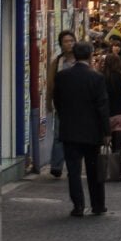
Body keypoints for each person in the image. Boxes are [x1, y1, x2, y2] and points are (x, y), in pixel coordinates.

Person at [52, 39, 110, 217]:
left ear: (75, 55)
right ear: (91, 55)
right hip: (92, 132)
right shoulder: (96, 78)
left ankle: (78, 206)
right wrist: (106, 132)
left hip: (70, 131)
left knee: (73, 171)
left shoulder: (62, 76)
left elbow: (57, 101)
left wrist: (65, 117)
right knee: (94, 171)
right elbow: (102, 106)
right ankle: (97, 205)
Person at [46, 29, 77, 179]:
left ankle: (73, 166)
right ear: (61, 44)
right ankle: (56, 166)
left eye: (71, 41)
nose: (69, 44)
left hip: (79, 105)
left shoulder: (80, 61)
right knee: (59, 135)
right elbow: (50, 83)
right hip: (61, 104)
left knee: (76, 137)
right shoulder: (57, 62)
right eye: (66, 41)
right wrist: (48, 102)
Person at [101, 52, 121, 179]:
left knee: (108, 143)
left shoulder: (102, 77)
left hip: (107, 115)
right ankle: (119, 171)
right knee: (118, 147)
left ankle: (110, 171)